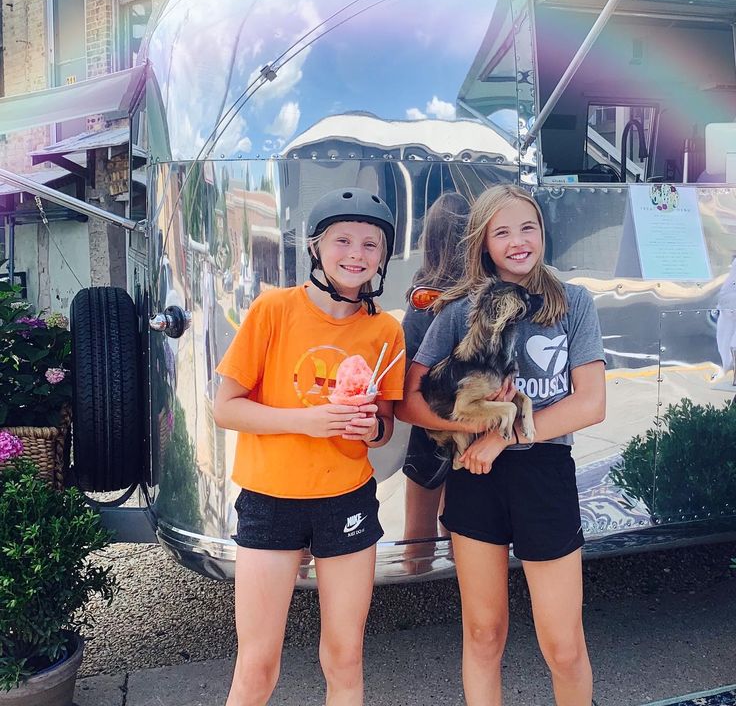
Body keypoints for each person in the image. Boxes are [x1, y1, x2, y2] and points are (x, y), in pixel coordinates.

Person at [396, 184, 605, 706]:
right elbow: (409, 402)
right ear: (484, 243)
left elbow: (590, 405)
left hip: (544, 475)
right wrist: (475, 433)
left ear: (542, 233)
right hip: (473, 478)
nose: (518, 242)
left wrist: (499, 437)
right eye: (502, 232)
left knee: (563, 645)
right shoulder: (459, 311)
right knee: (484, 635)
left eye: (528, 228)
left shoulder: (573, 303)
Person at [214, 187, 405, 706]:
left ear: (383, 257)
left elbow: (385, 424)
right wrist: (309, 421)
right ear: (317, 249)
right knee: (256, 664)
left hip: (346, 500)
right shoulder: (274, 309)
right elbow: (225, 407)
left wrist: (372, 430)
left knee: (344, 657)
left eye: (371, 244)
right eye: (343, 240)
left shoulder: (386, 330)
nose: (356, 255)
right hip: (269, 499)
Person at [401, 192, 469, 572]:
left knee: (418, 529)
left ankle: (418, 575)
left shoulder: (422, 297)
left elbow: (407, 357)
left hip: (429, 422)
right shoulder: (481, 294)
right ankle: (460, 582)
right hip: (473, 421)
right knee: (464, 520)